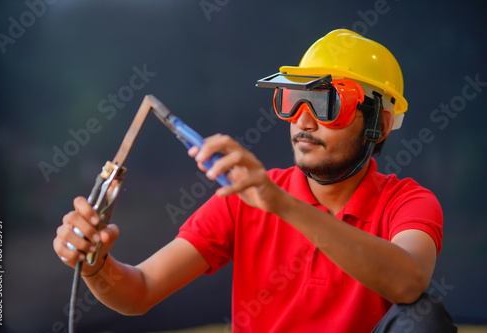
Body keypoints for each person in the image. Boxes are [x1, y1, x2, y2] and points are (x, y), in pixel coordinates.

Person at [53, 29, 457, 332]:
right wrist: (95, 263)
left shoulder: (407, 203)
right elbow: (139, 291)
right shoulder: (243, 199)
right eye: (292, 98)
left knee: (424, 319)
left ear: (380, 124)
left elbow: (407, 281)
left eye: (326, 102)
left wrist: (281, 204)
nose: (302, 119)